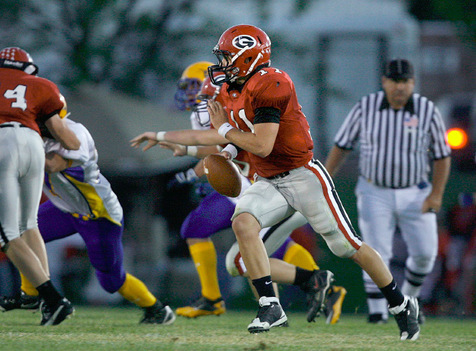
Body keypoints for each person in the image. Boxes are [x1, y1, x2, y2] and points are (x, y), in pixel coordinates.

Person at [206, 24, 420, 339]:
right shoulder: (230, 90)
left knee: (348, 247)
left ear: (247, 58)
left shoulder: (272, 84)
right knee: (243, 224)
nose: (221, 64)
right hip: (268, 179)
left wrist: (223, 131)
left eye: (227, 57)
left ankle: (401, 306)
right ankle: (270, 305)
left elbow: (263, 144)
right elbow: (246, 139)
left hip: (303, 176)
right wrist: (227, 150)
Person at [131, 64, 346, 324]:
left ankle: (312, 284)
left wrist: (192, 157)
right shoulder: (221, 114)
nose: (191, 95)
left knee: (242, 258)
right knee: (252, 256)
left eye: (194, 87)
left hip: (274, 189)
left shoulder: (240, 109)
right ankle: (279, 305)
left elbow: (231, 143)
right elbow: (216, 145)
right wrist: (184, 150)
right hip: (258, 188)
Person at [0, 116, 176, 325]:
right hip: (66, 207)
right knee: (20, 232)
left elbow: (53, 164)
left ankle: (157, 309)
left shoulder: (75, 133)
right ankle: (30, 296)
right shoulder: (38, 136)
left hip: (97, 214)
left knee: (111, 281)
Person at [325, 59, 451, 324]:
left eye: (405, 81)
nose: (400, 87)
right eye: (395, 81)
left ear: (413, 83)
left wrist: (436, 195)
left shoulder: (427, 109)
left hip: (415, 190)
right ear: (384, 82)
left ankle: (409, 300)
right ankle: (377, 313)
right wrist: (325, 181)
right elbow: (342, 145)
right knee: (375, 250)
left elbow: (442, 155)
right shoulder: (366, 107)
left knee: (426, 253)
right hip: (374, 189)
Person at [0, 47, 80, 326]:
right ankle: (40, 298)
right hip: (34, 146)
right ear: (28, 69)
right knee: (28, 225)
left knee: (5, 236)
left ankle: (54, 299)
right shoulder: (42, 86)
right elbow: (70, 142)